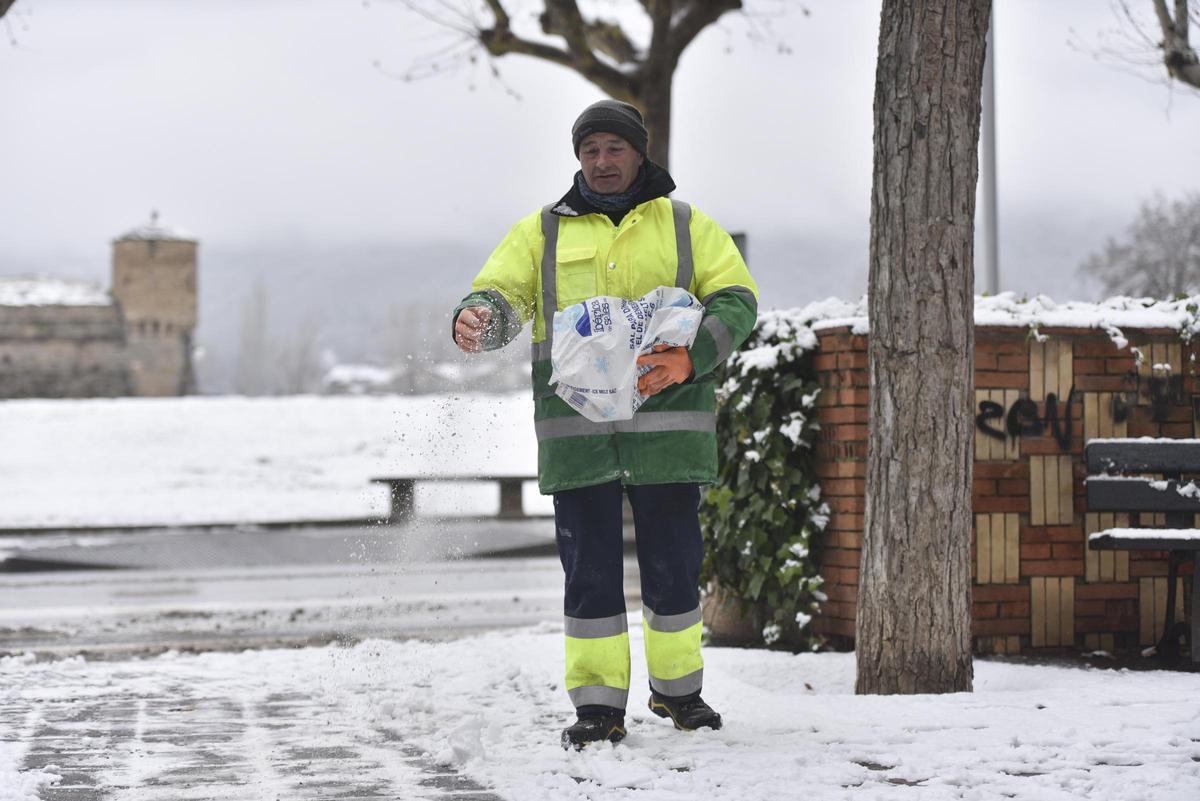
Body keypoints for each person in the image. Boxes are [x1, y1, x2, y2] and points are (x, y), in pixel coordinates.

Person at [451, 99, 758, 750]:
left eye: (613, 148)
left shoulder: (684, 225)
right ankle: (597, 706)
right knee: (589, 571)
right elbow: (502, 293)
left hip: (667, 434)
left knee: (674, 568)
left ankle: (679, 692)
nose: (601, 160)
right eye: (589, 151)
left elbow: (737, 298)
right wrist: (481, 317)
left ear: (639, 152)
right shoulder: (542, 232)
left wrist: (693, 353)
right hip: (578, 438)